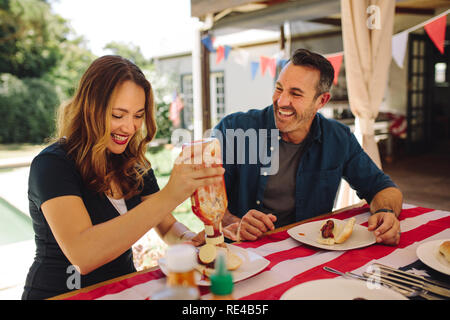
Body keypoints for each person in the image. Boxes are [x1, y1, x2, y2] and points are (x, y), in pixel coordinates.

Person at [22, 55, 223, 300]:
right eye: (118, 115)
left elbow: (167, 225)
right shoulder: (53, 164)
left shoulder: (132, 161)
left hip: (121, 291)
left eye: (138, 116)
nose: (129, 128)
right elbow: (83, 255)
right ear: (90, 108)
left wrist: (188, 239)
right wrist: (172, 194)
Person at [215, 49, 403, 246]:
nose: (281, 101)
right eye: (279, 88)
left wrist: (386, 213)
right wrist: (234, 223)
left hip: (309, 253)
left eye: (295, 94)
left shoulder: (338, 138)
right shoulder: (234, 129)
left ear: (321, 101)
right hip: (243, 253)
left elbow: (385, 189)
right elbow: (208, 203)